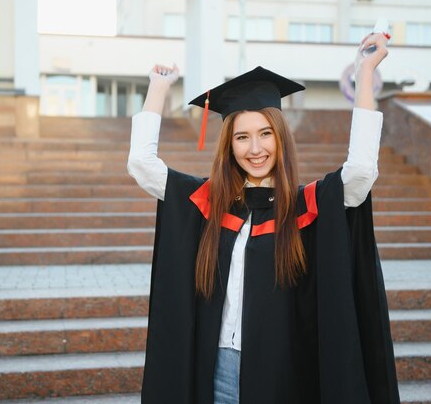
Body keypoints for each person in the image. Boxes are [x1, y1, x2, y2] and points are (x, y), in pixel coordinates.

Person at [127, 32, 399, 404]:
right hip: (218, 371)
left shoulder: (306, 205)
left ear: (281, 137)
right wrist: (158, 88)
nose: (255, 149)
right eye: (242, 137)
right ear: (229, 145)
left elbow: (362, 172)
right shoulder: (209, 202)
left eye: (265, 134)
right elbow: (142, 166)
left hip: (284, 378)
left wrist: (364, 73)